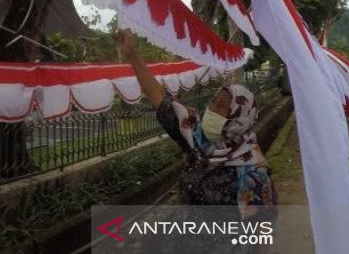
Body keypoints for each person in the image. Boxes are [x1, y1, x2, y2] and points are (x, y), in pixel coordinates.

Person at [116, 29, 277, 221]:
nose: (212, 109)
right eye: (213, 102)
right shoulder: (196, 138)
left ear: (239, 118)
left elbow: (262, 230)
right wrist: (132, 54)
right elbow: (158, 97)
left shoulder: (254, 172)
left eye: (222, 107)